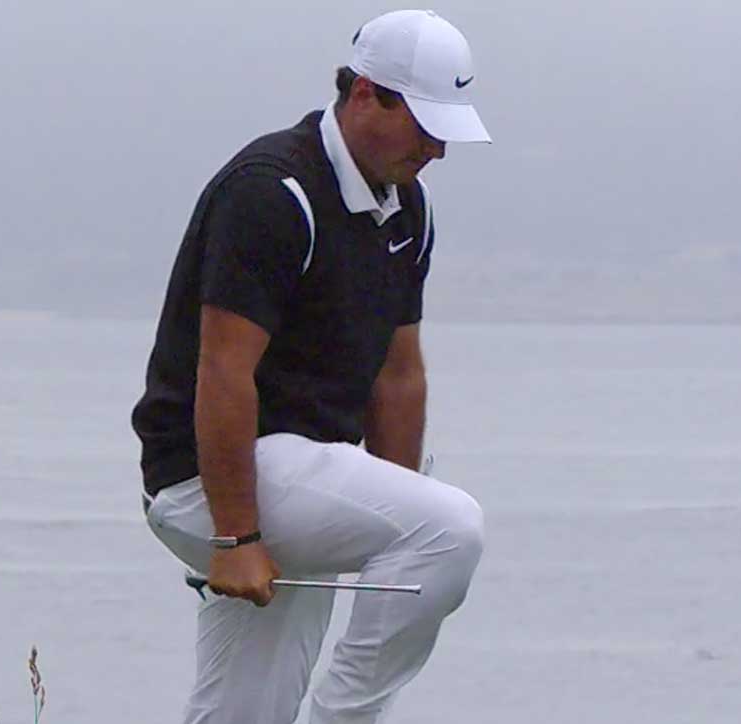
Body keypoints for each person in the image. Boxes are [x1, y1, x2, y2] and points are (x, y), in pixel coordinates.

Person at [130, 9, 491, 724]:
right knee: (451, 528)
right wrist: (236, 538)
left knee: (245, 711)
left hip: (295, 480)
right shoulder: (273, 191)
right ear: (364, 95)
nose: (438, 150)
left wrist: (385, 500)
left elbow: (398, 374)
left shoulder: (408, 208)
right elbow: (224, 370)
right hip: (211, 479)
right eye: (425, 125)